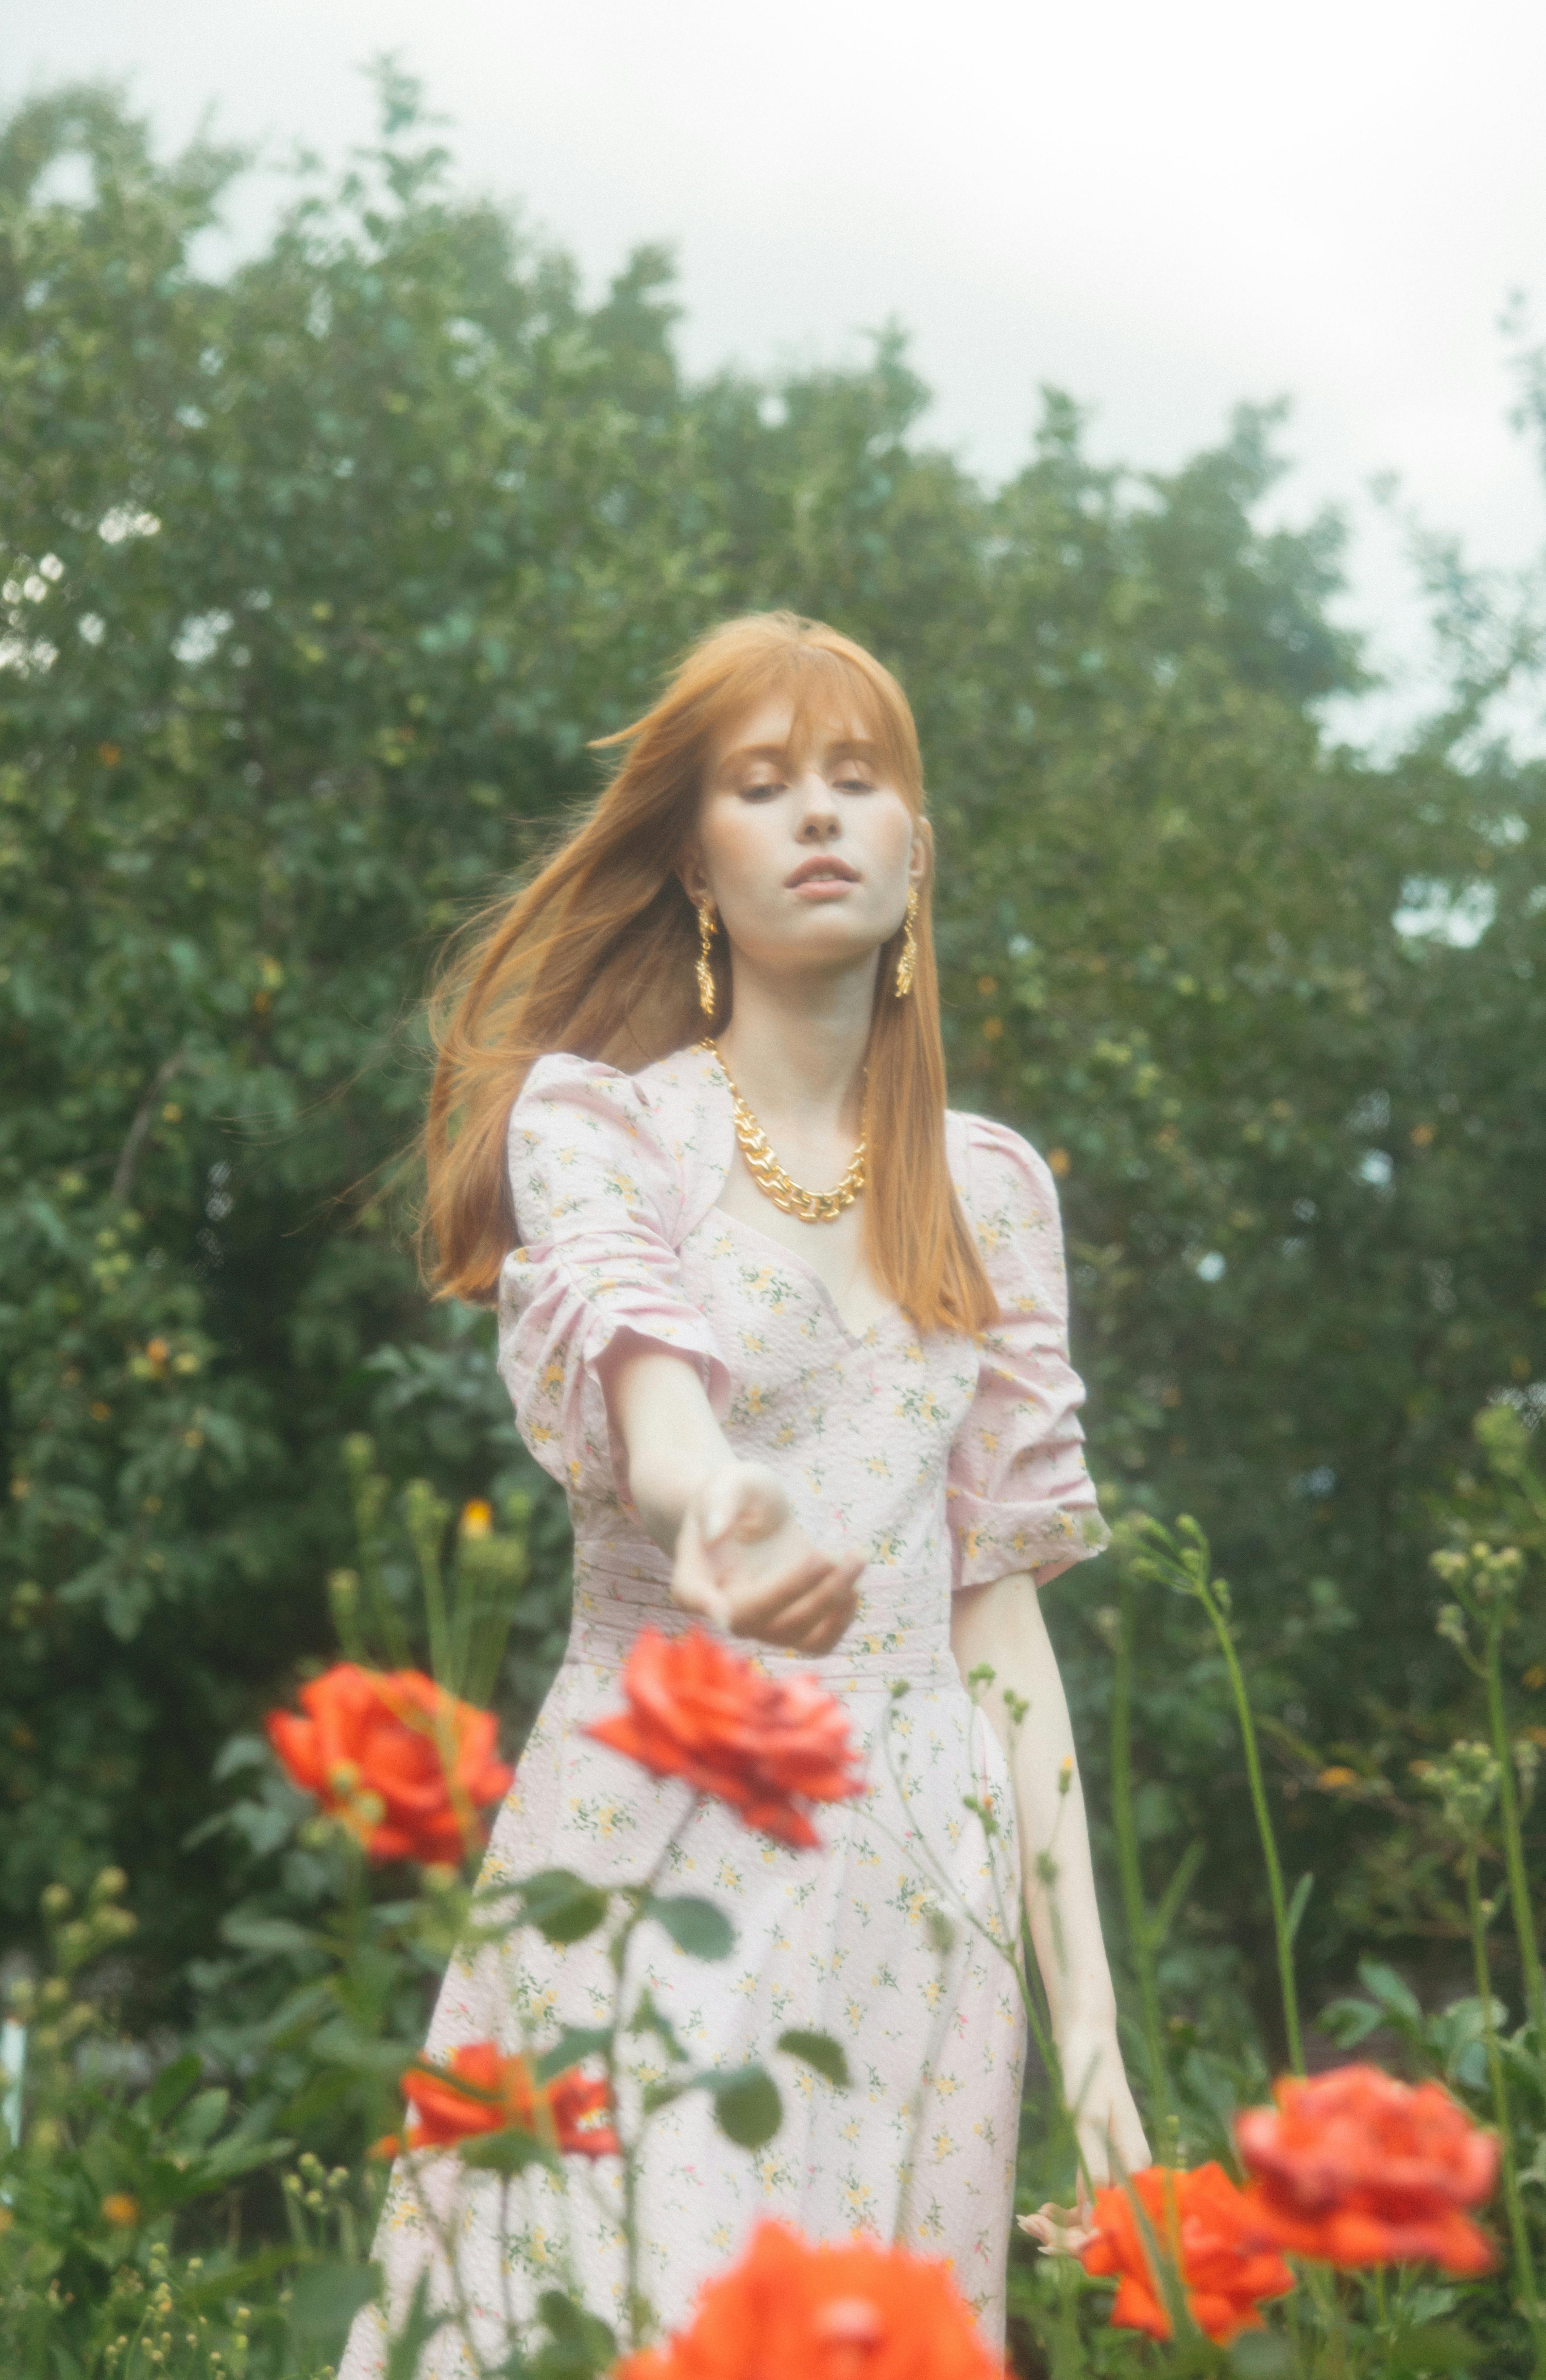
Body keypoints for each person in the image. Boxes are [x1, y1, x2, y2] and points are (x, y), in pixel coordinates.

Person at [344, 612, 1147, 2375]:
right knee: (613, 2312)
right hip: (654, 1826)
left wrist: (1093, 2046)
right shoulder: (604, 1128)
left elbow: (999, 1623)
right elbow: (653, 1394)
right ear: (695, 862)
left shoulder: (992, 1194)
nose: (816, 818)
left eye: (857, 782)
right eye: (762, 785)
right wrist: (715, 1510)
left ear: (917, 851)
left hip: (919, 1868)